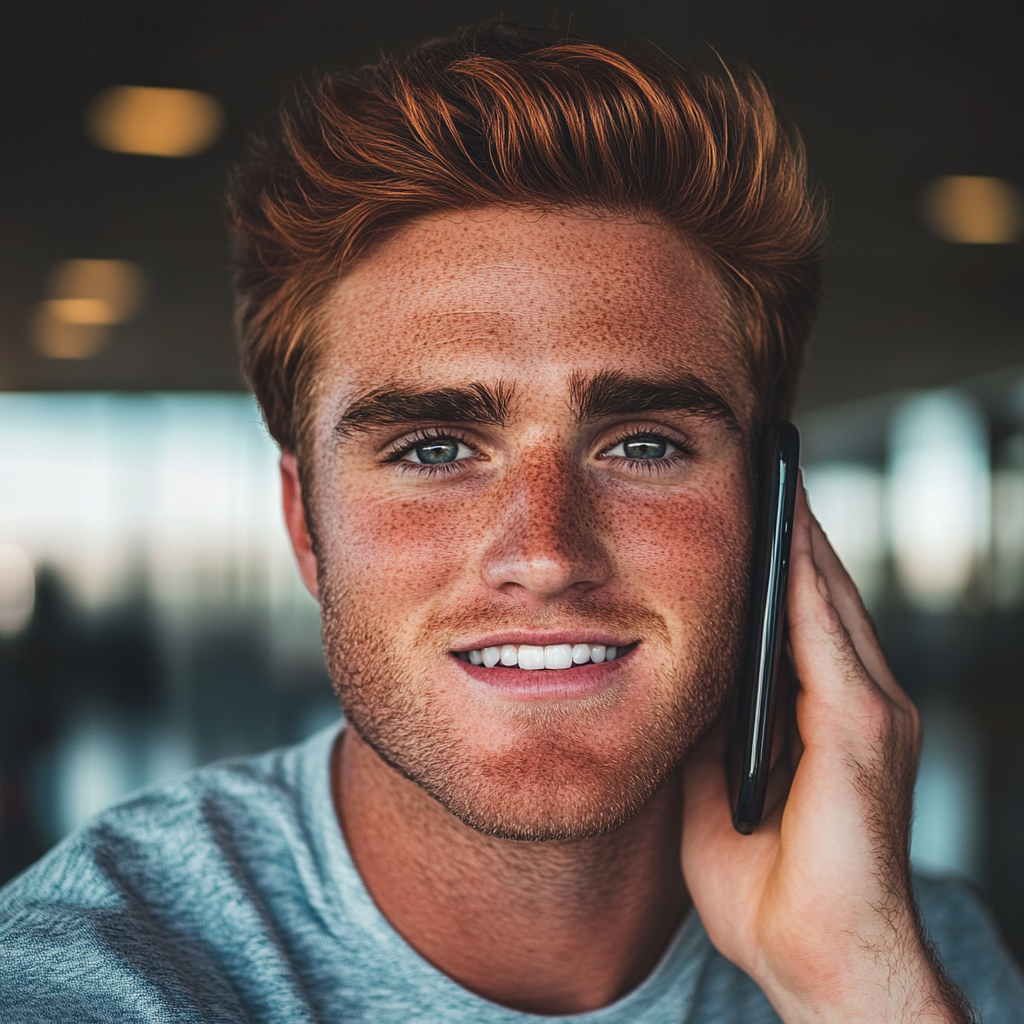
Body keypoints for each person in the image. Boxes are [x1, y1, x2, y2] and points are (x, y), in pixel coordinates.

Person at [3, 22, 1022, 1023]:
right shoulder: (99, 968)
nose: (543, 553)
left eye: (644, 444)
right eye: (434, 449)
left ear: (770, 510)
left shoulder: (909, 951)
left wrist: (858, 989)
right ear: (305, 524)